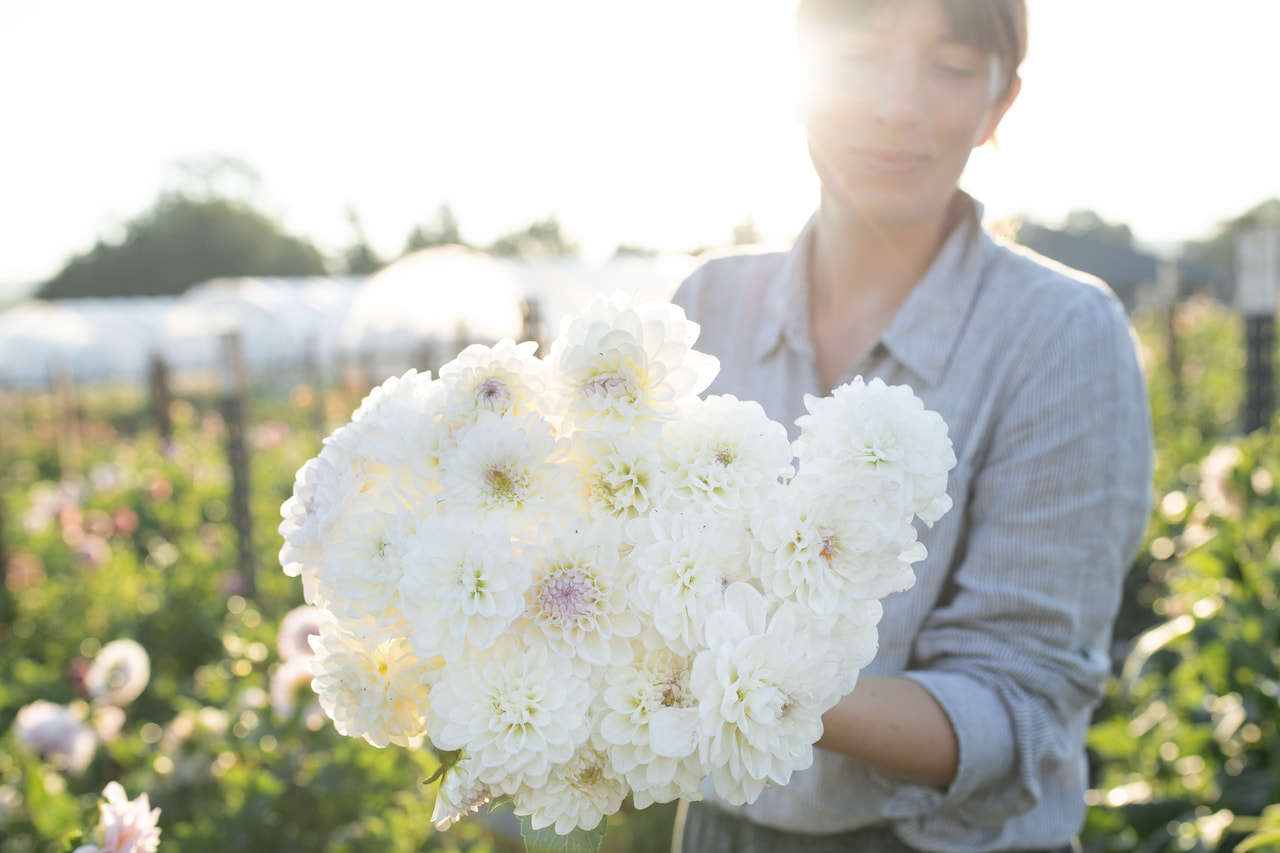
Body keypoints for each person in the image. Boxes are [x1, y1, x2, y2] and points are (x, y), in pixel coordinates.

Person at [669, 1, 1154, 851]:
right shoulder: (705, 308)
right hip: (717, 827)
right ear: (795, 73)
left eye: (953, 66)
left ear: (1000, 103)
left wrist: (743, 677)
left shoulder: (1062, 335)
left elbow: (1019, 706)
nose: (899, 104)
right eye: (858, 53)